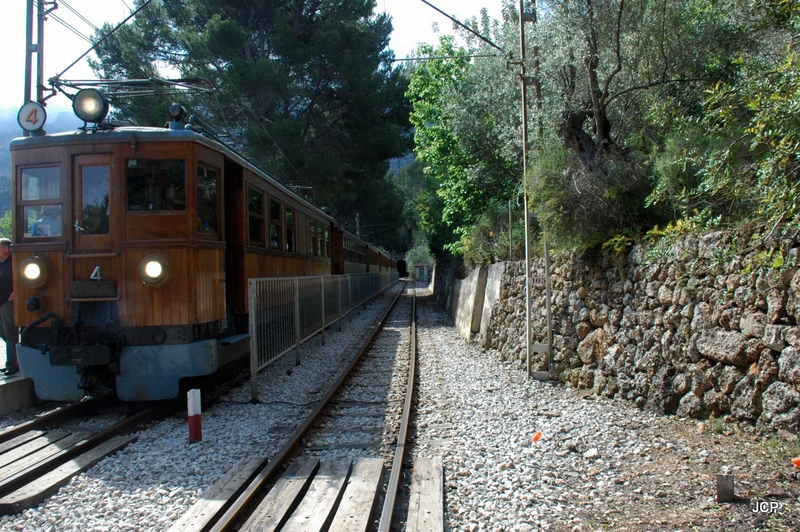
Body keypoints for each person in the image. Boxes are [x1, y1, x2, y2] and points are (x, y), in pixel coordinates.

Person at [0, 239, 17, 375]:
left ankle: (13, 365)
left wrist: (16, 292)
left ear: (6, 249)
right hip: (2, 302)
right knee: (4, 332)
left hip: (8, 303)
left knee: (10, 333)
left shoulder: (14, 262)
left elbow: (21, 278)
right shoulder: (4, 264)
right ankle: (14, 359)